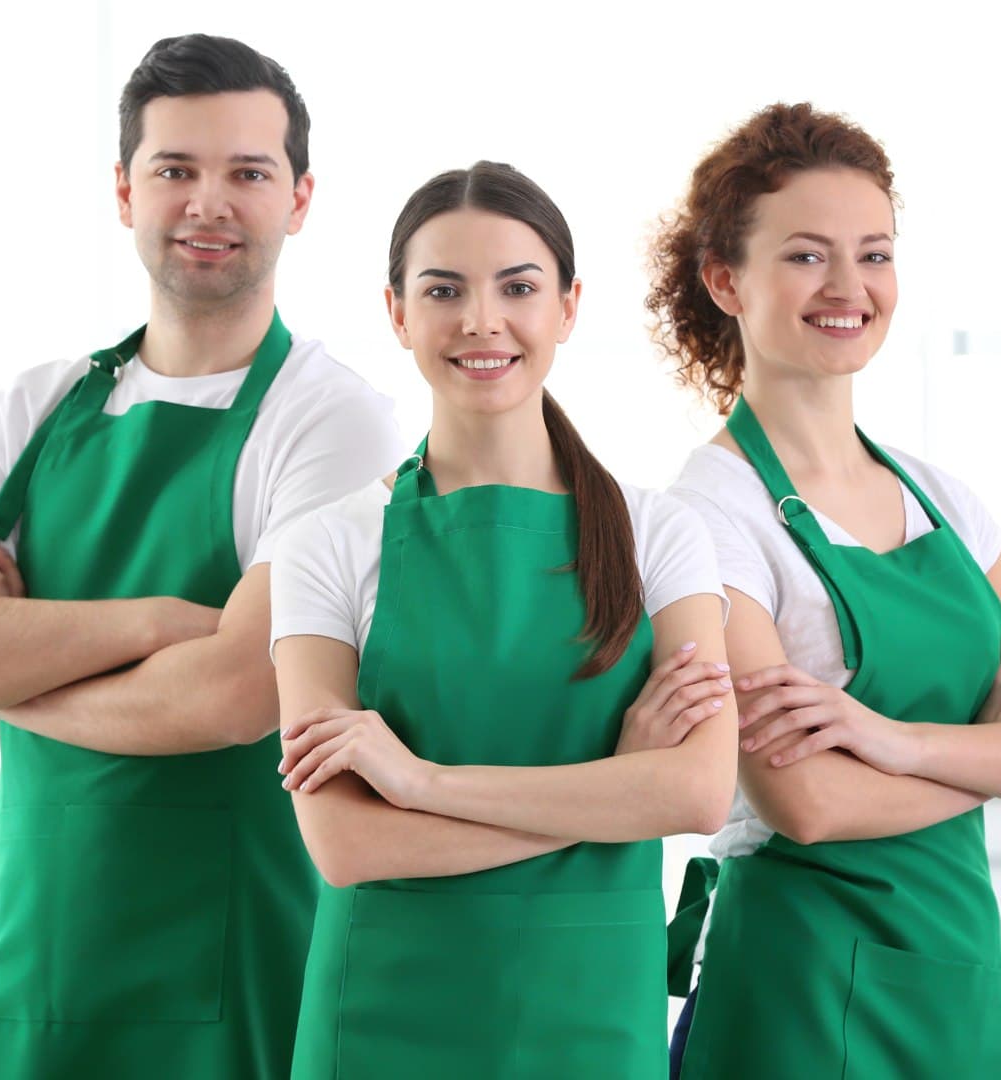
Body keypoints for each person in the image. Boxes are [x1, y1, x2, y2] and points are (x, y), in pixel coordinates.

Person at [0, 34, 404, 1079]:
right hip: (36, 965)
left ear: (300, 199)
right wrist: (156, 624)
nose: (210, 202)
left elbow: (231, 696)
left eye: (248, 173)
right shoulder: (34, 404)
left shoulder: (331, 421)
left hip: (233, 969)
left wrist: (8, 674)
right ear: (125, 192)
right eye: (176, 170)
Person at [651, 103, 1001, 1080]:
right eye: (808, 256)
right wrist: (1000, 751)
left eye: (874, 253)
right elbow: (803, 799)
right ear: (725, 278)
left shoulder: (942, 501)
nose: (849, 287)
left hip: (956, 982)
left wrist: (887, 738)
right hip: (797, 999)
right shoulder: (710, 514)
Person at [268, 161, 736, 1080]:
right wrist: (611, 787)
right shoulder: (328, 544)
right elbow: (348, 841)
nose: (483, 320)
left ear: (567, 307)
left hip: (593, 1016)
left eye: (517, 287)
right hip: (381, 1022)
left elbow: (695, 793)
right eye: (444, 290)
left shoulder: (661, 535)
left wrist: (420, 782)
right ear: (398, 313)